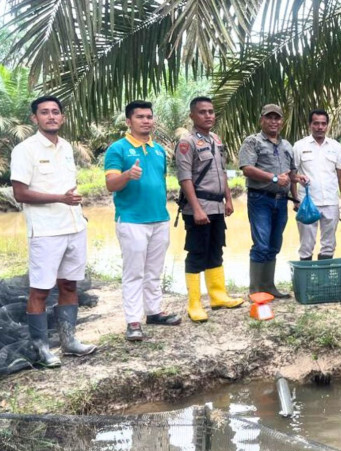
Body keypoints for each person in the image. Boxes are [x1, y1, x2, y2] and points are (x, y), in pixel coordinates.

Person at [10, 96, 97, 367]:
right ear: (34, 119)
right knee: (41, 290)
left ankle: (69, 341)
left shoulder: (67, 147)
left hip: (74, 226)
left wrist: (77, 213)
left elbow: (69, 187)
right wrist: (60, 198)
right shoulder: (25, 150)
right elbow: (20, 192)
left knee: (69, 284)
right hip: (46, 231)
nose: (51, 116)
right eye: (44, 112)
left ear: (63, 117)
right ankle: (41, 349)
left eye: (55, 112)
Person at [104, 100, 181, 341]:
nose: (146, 120)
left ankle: (155, 312)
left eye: (149, 116)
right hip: (132, 219)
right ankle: (133, 321)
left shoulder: (158, 150)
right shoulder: (118, 149)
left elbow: (159, 182)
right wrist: (128, 175)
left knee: (154, 270)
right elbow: (110, 184)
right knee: (134, 272)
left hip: (159, 218)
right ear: (129, 121)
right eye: (140, 117)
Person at [176, 96, 243, 322]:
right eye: (203, 112)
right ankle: (194, 304)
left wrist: (229, 199)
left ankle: (218, 296)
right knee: (197, 253)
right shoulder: (187, 142)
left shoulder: (215, 139)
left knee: (216, 249)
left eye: (211, 112)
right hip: (199, 207)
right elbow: (185, 178)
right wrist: (196, 209)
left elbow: (222, 171)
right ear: (192, 116)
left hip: (216, 206)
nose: (208, 116)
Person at [238, 104, 296, 299]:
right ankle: (255, 290)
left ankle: (269, 286)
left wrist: (298, 179)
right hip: (260, 198)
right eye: (269, 117)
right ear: (261, 119)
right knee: (261, 244)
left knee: (274, 244)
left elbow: (291, 173)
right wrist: (273, 178)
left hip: (281, 201)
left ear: (282, 121)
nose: (273, 121)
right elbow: (246, 168)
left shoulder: (287, 145)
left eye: (277, 118)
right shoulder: (253, 141)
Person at [292, 109, 341, 260]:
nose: (320, 127)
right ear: (310, 125)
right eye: (316, 123)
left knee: (329, 245)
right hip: (307, 203)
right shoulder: (299, 146)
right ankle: (306, 281)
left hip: (331, 202)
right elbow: (292, 174)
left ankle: (323, 281)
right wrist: (295, 200)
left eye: (323, 124)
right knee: (306, 245)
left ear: (327, 125)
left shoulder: (335, 146)